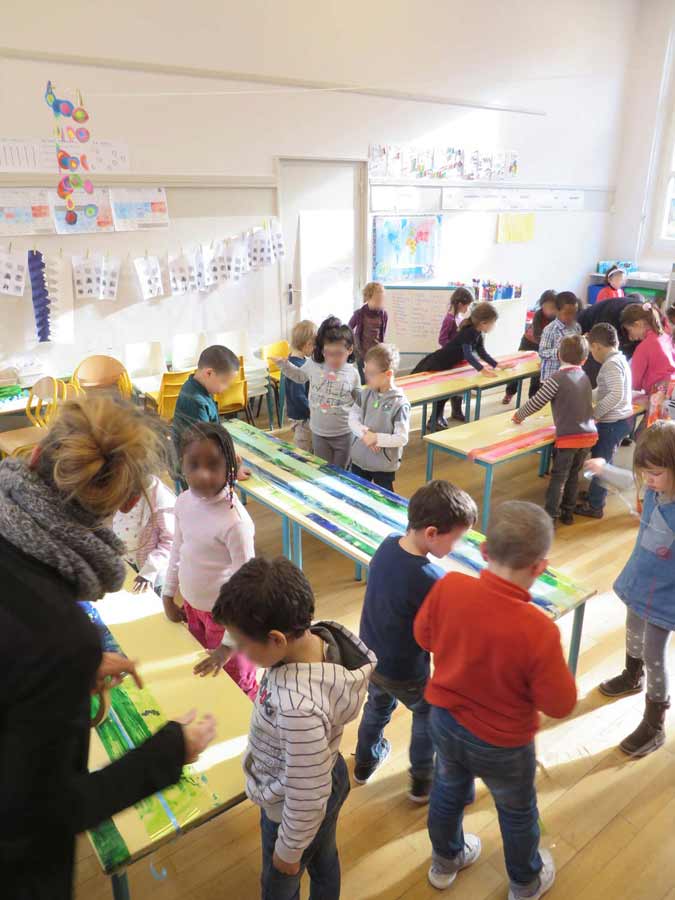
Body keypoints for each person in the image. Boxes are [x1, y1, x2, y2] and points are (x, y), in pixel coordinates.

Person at [0, 397, 215, 900]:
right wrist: (170, 751)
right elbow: (47, 812)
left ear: (34, 456)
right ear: (122, 507)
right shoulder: (60, 637)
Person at [414, 500, 577, 897]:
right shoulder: (538, 630)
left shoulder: (449, 586)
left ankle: (444, 860)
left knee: (448, 790)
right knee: (517, 812)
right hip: (504, 745)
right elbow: (560, 704)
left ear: (484, 551)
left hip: (445, 722)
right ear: (540, 566)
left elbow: (424, 637)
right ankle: (525, 882)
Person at [212, 556, 375, 900]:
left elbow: (307, 795)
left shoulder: (297, 709)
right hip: (324, 775)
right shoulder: (313, 637)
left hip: (293, 802)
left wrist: (287, 852)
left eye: (242, 645)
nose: (239, 651)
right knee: (324, 855)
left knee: (280, 884)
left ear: (275, 639)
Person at [354, 481, 477, 803]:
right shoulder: (429, 578)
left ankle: (363, 764)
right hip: (404, 669)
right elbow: (446, 629)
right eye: (457, 539)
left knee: (377, 707)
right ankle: (422, 780)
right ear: (433, 533)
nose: (457, 547)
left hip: (369, 654)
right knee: (426, 713)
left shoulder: (388, 542)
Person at [591, 421, 675, 757]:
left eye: (656, 473)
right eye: (646, 473)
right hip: (639, 581)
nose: (649, 481)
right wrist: (604, 468)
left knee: (655, 655)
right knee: (632, 634)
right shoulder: (653, 489)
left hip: (666, 596)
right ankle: (631, 674)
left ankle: (654, 723)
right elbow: (629, 481)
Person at [162, 422, 258, 699]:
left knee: (238, 686)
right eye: (193, 465)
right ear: (182, 465)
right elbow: (177, 548)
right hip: (192, 609)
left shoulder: (236, 523)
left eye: (213, 465)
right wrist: (168, 595)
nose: (203, 474)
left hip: (229, 623)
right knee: (207, 675)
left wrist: (228, 645)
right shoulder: (182, 501)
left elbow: (246, 590)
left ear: (230, 467)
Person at [514, 335, 597, 524]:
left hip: (569, 437)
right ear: (584, 360)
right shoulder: (584, 377)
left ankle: (550, 516)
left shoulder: (557, 378)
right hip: (588, 435)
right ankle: (567, 513)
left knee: (559, 476)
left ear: (559, 355)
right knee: (573, 475)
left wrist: (519, 415)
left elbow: (537, 401)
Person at [412, 302, 513, 428]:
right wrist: (482, 370)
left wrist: (497, 365)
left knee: (445, 393)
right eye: (493, 323)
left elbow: (482, 352)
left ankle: (435, 418)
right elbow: (468, 355)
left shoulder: (477, 333)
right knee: (438, 394)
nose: (494, 326)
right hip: (438, 362)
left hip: (447, 364)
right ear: (483, 323)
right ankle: (433, 420)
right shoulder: (469, 332)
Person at [275, 323, 361, 468]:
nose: (333, 358)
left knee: (341, 474)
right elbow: (299, 377)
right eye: (328, 353)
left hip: (343, 434)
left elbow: (359, 401)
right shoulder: (314, 365)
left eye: (338, 354)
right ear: (322, 351)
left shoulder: (352, 373)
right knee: (323, 470)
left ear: (350, 350)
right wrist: (284, 365)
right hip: (319, 433)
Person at [575, 323, 634, 519]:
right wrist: (586, 397)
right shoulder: (619, 359)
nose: (592, 354)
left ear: (597, 347)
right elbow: (605, 389)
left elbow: (615, 394)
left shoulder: (610, 364)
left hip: (612, 423)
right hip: (621, 420)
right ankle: (595, 492)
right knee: (603, 459)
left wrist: (596, 413)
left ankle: (595, 505)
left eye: (591, 349)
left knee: (600, 462)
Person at [348, 343, 410, 491]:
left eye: (371, 373)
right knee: (356, 494)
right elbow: (352, 418)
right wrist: (365, 434)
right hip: (359, 459)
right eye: (365, 370)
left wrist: (376, 438)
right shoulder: (365, 393)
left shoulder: (399, 403)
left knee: (385, 499)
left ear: (388, 374)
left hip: (383, 465)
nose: (366, 377)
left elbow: (402, 438)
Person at [113, 474, 176, 595]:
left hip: (154, 574)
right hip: (130, 564)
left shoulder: (160, 503)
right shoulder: (121, 490)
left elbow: (170, 542)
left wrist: (149, 571)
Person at [172, 344, 240, 445]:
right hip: (191, 456)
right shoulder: (196, 402)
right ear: (209, 373)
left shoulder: (201, 387)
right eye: (224, 382)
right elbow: (203, 444)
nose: (225, 388)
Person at [502, 289, 558, 404]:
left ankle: (532, 399)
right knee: (516, 369)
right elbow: (537, 334)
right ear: (542, 305)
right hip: (528, 343)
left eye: (553, 307)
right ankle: (509, 392)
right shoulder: (538, 314)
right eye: (547, 307)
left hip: (543, 346)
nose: (550, 310)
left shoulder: (557, 317)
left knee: (537, 372)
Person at [577, 291, 642, 387]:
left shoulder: (645, 318)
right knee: (595, 369)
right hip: (589, 324)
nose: (634, 338)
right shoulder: (610, 317)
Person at [621, 303, 675, 417]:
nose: (631, 336)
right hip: (672, 389)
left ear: (638, 324)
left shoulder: (643, 347)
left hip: (659, 392)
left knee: (652, 430)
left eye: (629, 330)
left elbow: (634, 382)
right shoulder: (665, 337)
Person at [285, 319, 317, 452]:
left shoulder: (298, 361)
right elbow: (298, 397)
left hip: (303, 416)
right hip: (303, 419)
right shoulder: (297, 367)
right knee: (304, 451)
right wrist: (314, 412)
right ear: (308, 344)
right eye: (315, 345)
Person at [538, 291, 581, 382]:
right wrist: (560, 353)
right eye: (567, 313)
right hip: (551, 378)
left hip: (570, 377)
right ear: (557, 311)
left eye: (574, 313)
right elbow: (542, 352)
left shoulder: (576, 327)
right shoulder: (550, 329)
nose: (571, 317)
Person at [349, 281, 388, 382]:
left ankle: (376, 397)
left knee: (377, 379)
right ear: (368, 298)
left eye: (381, 300)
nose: (379, 303)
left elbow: (382, 333)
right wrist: (353, 344)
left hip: (376, 353)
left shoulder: (383, 314)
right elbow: (348, 328)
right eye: (376, 300)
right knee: (365, 380)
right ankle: (365, 397)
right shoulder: (359, 314)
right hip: (362, 353)